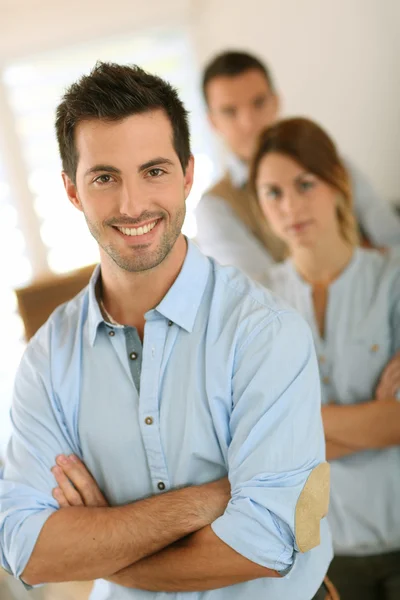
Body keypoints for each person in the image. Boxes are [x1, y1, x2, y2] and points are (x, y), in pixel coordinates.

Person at [0, 63, 333, 600]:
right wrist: (204, 502)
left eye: (153, 171)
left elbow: (268, 543)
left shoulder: (265, 334)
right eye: (104, 178)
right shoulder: (47, 359)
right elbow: (25, 547)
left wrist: (103, 540)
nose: (132, 205)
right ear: (71, 190)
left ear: (188, 173)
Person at [250, 116, 400, 600]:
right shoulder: (254, 306)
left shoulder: (392, 279)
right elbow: (258, 447)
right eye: (272, 192)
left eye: (304, 184)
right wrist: (373, 420)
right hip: (325, 556)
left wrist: (298, 429)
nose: (290, 205)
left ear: (337, 181)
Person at [195, 51, 400, 279]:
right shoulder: (214, 207)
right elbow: (262, 296)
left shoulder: (335, 164)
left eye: (259, 103)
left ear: (276, 101)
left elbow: (395, 247)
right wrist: (362, 253)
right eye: (230, 111)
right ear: (212, 122)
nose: (249, 122)